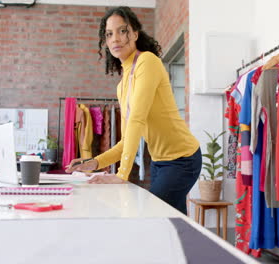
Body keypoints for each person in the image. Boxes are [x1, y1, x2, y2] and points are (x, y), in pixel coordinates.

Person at [66, 6, 201, 214]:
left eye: (122, 31)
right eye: (109, 34)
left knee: (152, 215)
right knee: (172, 223)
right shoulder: (122, 85)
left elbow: (137, 119)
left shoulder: (147, 62)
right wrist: (94, 163)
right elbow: (126, 139)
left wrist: (122, 174)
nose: (115, 38)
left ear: (135, 34)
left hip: (182, 159)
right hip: (159, 163)